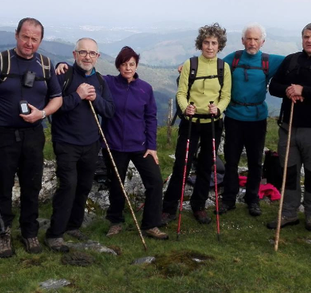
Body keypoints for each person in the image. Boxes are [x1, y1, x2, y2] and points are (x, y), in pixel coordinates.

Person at [0, 17, 63, 258]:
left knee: (31, 186)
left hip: (34, 135)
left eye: (35, 39)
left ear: (41, 40)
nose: (29, 43)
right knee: (2, 186)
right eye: (25, 37)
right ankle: (2, 233)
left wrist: (42, 114)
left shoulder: (45, 65)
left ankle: (29, 232)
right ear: (16, 35)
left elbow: (58, 98)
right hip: (2, 135)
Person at [267, 22, 311, 232]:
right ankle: (289, 213)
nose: (310, 40)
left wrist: (304, 90)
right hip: (288, 126)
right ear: (302, 38)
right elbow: (273, 86)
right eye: (307, 36)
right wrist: (289, 90)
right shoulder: (291, 60)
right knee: (288, 172)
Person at [45, 38, 115, 252]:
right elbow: (53, 108)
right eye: (83, 52)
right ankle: (55, 234)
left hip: (91, 143)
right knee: (68, 186)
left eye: (92, 53)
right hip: (66, 142)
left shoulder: (101, 82)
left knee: (84, 186)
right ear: (74, 54)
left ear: (98, 57)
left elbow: (110, 111)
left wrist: (96, 100)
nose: (87, 56)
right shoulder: (63, 76)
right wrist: (77, 96)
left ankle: (73, 225)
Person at [162, 23, 232, 225]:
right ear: (200, 44)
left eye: (214, 43)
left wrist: (218, 108)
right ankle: (169, 207)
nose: (210, 47)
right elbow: (181, 93)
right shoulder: (190, 64)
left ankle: (198, 205)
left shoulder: (223, 68)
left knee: (206, 165)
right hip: (191, 122)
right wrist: (185, 108)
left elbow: (226, 95)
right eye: (206, 43)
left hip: (212, 122)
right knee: (182, 164)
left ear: (220, 46)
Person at [99, 46, 169, 240]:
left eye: (131, 64)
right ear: (118, 65)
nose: (128, 68)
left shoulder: (145, 88)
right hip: (113, 145)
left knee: (155, 182)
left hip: (140, 146)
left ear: (137, 65)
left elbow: (151, 118)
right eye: (124, 64)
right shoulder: (108, 83)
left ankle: (151, 224)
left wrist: (152, 146)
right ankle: (115, 222)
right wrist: (62, 65)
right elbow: (87, 73)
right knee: (116, 184)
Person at [219, 23, 285, 217]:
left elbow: (296, 60)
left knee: (256, 161)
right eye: (249, 38)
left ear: (262, 41)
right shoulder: (234, 59)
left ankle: (252, 199)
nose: (252, 42)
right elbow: (213, 68)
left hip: (257, 119)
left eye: (256, 39)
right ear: (242, 40)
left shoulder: (268, 61)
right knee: (231, 160)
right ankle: (228, 199)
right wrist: (187, 66)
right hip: (233, 117)